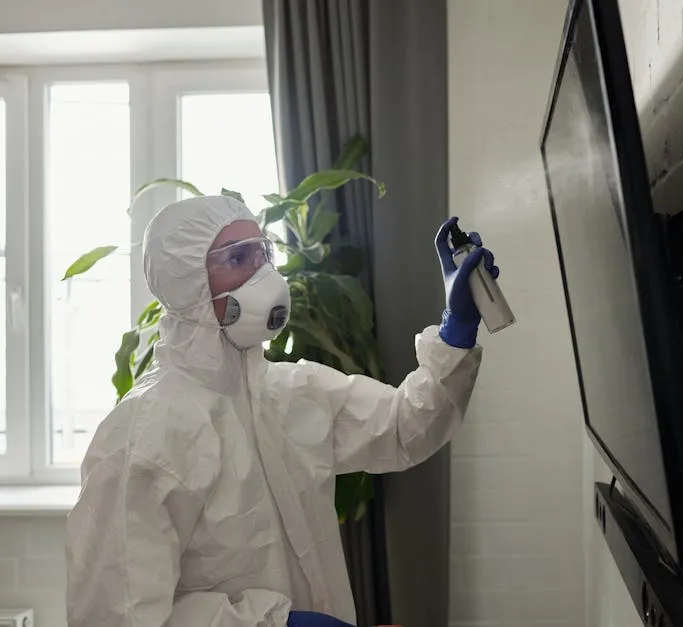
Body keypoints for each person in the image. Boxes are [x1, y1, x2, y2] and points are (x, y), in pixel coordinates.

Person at [65, 195, 499, 626]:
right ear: (188, 282)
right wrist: (270, 623)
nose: (264, 274)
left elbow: (406, 426)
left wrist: (456, 329)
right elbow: (115, 616)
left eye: (263, 253)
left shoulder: (294, 392)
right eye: (238, 258)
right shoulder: (142, 435)